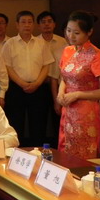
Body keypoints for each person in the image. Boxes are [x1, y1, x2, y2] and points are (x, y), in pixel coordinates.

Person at [57, 11, 100, 159]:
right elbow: (64, 78)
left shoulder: (96, 55)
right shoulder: (67, 51)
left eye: (76, 33)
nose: (71, 36)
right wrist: (60, 92)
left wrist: (77, 94)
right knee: (65, 149)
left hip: (86, 113)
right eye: (68, 31)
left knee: (83, 154)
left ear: (89, 32)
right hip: (68, 109)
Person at [2, 11, 53, 146]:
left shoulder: (41, 43)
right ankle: (16, 153)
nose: (27, 25)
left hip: (38, 88)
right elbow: (7, 67)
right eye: (23, 22)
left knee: (38, 124)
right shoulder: (10, 44)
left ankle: (39, 152)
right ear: (17, 25)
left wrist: (37, 83)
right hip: (16, 89)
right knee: (16, 123)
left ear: (33, 25)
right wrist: (22, 83)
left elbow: (46, 65)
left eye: (30, 22)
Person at [36, 10, 68, 147]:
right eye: (43, 22)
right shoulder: (34, 42)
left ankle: (58, 147)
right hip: (40, 85)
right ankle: (40, 148)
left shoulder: (63, 42)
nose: (46, 24)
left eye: (49, 21)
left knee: (58, 119)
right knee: (40, 119)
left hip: (60, 85)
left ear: (54, 24)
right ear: (38, 25)